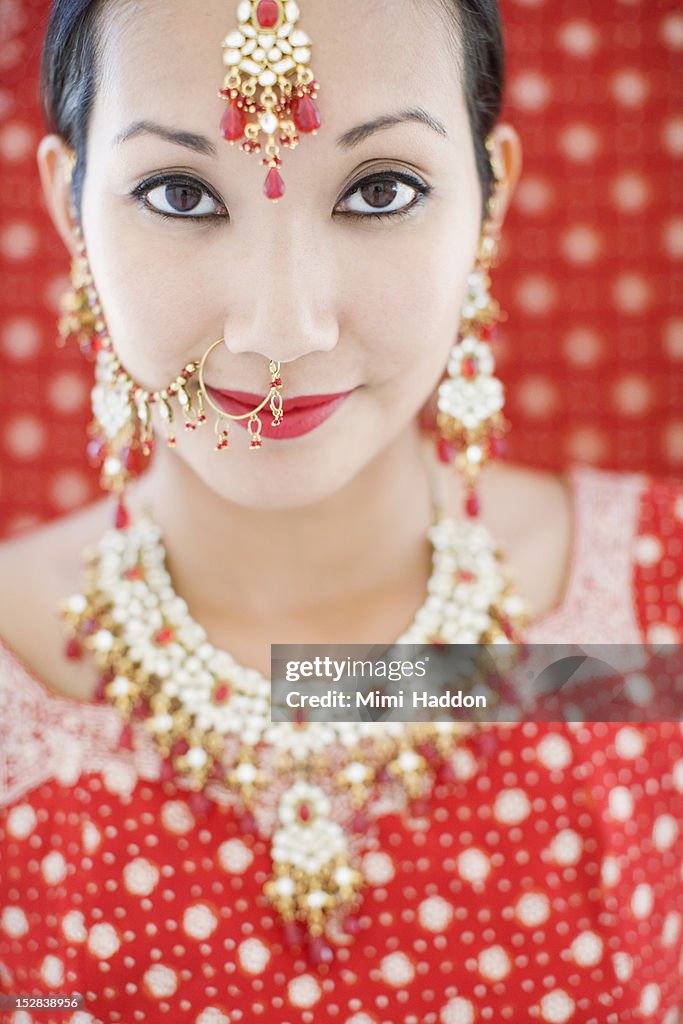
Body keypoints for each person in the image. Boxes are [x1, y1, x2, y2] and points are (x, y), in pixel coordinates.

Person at [0, 0, 681, 1021]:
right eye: (180, 192)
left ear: (489, 199)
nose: (283, 325)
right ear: (70, 209)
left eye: (380, 189)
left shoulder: (650, 617)